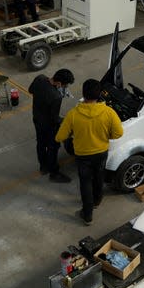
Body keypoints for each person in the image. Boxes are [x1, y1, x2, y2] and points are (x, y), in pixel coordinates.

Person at [55, 79, 123, 226]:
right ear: (99, 95)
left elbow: (60, 137)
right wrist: (105, 137)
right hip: (101, 152)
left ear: (83, 94)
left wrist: (73, 134)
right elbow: (119, 133)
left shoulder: (73, 114)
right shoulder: (109, 112)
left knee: (85, 183)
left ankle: (87, 216)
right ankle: (97, 201)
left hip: (83, 155)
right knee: (99, 176)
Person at [29, 68, 75, 183]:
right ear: (59, 83)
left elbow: (31, 90)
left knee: (40, 144)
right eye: (65, 86)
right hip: (49, 126)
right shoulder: (56, 97)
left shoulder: (40, 78)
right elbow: (54, 118)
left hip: (37, 118)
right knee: (53, 147)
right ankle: (54, 173)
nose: (65, 88)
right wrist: (65, 121)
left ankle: (43, 167)